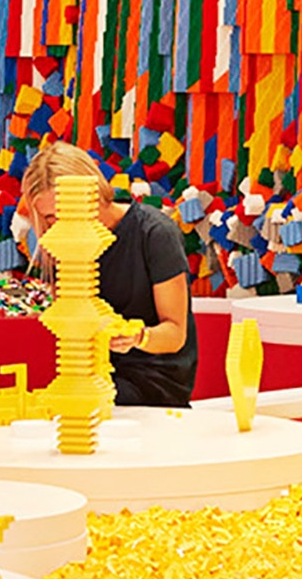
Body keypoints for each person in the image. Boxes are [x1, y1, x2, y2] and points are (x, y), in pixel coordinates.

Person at [18, 142, 195, 408]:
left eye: (68, 212)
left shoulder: (155, 233)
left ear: (94, 194)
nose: (61, 223)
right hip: (94, 374)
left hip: (154, 381)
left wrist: (137, 337)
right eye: (51, 217)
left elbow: (175, 334)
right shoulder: (60, 244)